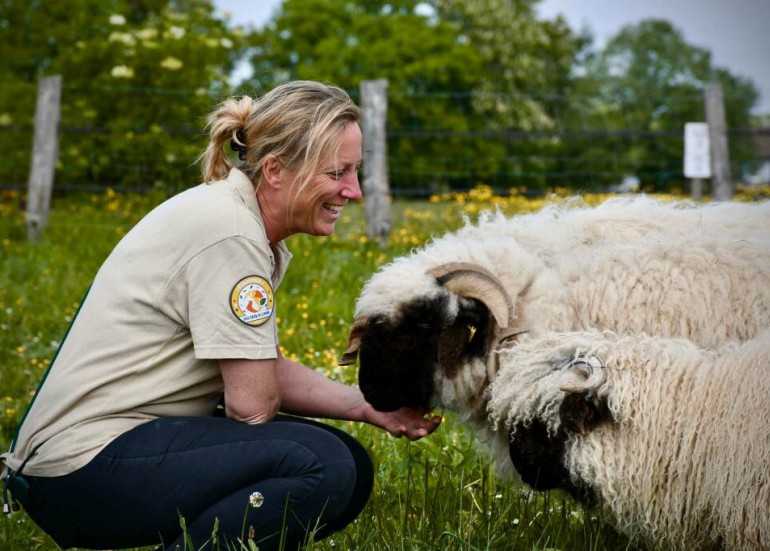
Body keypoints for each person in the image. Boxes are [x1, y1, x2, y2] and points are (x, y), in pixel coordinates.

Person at [1, 80, 442, 550]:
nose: (353, 191)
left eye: (355, 171)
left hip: (93, 457)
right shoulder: (232, 235)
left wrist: (367, 406)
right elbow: (251, 408)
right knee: (324, 467)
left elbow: (251, 365)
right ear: (275, 170)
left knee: (346, 461)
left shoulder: (234, 217)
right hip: (82, 468)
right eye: (337, 172)